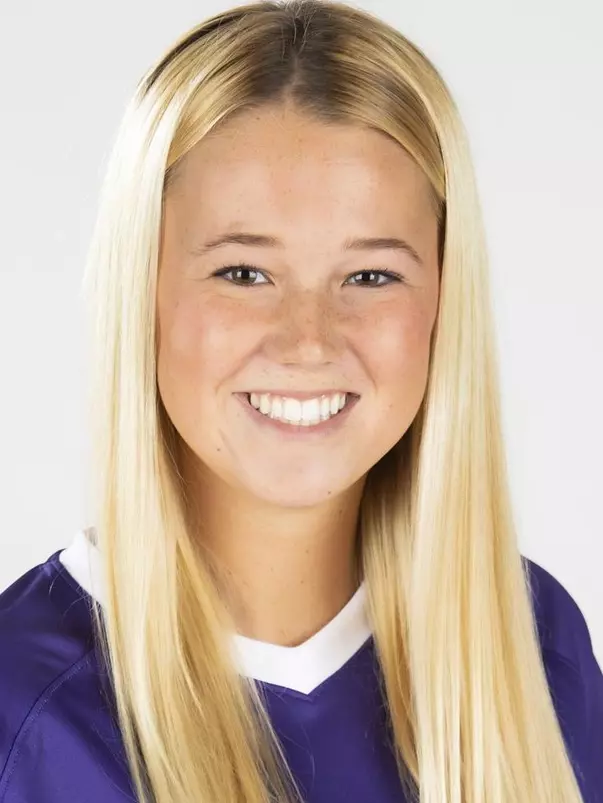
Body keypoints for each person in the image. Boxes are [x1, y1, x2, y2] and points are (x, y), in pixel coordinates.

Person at [0, 1, 601, 801]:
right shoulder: (23, 713)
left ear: (443, 307)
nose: (309, 340)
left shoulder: (530, 648)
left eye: (370, 276)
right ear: (140, 291)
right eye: (243, 273)